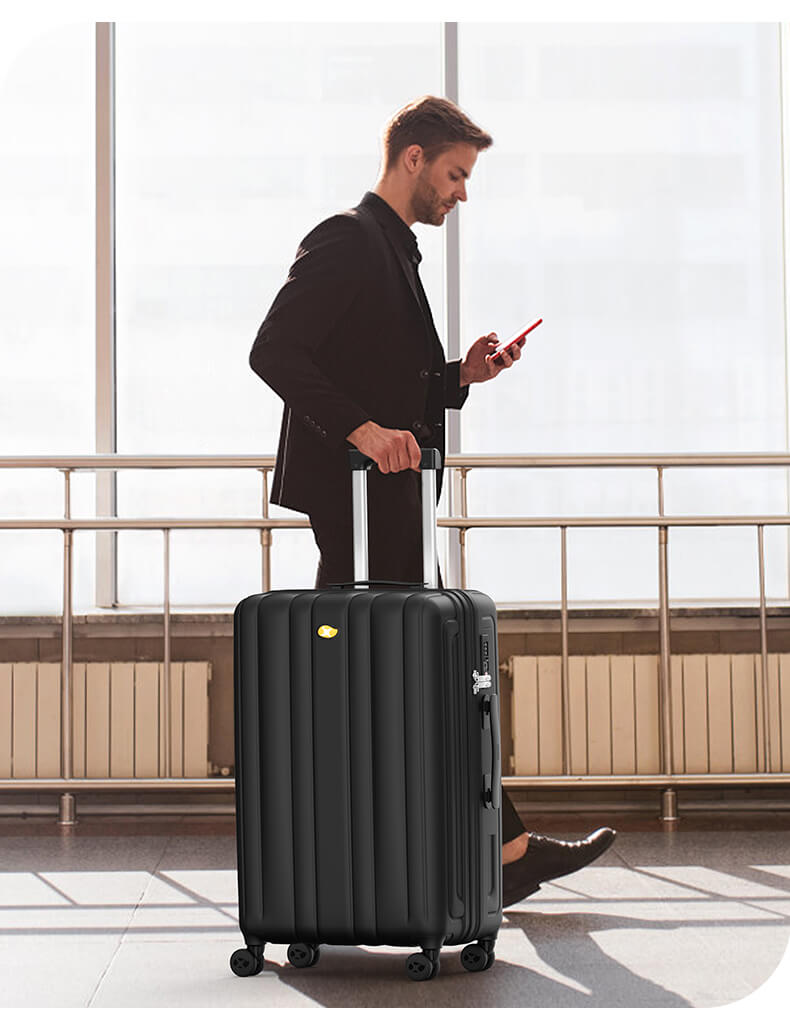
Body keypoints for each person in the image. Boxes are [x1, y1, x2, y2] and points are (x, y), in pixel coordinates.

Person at [249, 95, 615, 908]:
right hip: (365, 500)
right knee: (418, 671)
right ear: (412, 158)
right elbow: (273, 349)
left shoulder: (394, 252)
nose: (461, 192)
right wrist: (360, 429)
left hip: (392, 502)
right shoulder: (348, 240)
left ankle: (484, 849)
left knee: (416, 672)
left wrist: (460, 377)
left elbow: (383, 373)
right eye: (455, 174)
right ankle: (488, 851)